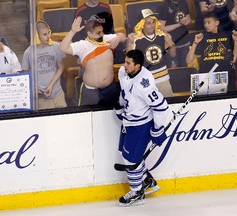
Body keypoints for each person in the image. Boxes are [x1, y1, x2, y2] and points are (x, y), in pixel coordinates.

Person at [115, 49, 169, 206]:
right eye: (125, 61)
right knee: (125, 153)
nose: (124, 65)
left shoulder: (144, 85)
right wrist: (121, 106)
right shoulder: (124, 72)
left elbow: (162, 107)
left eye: (128, 63)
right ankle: (147, 181)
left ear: (137, 66)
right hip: (129, 122)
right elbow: (124, 90)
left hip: (141, 125)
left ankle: (137, 191)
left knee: (130, 160)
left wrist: (157, 129)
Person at [60, 17, 126, 106]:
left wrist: (117, 38)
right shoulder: (83, 45)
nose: (102, 34)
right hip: (91, 92)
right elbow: (63, 48)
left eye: (102, 31)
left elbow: (123, 36)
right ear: (89, 34)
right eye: (98, 33)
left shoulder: (105, 38)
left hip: (110, 89)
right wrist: (72, 32)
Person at [126, 8, 176, 98]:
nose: (152, 25)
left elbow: (173, 54)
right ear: (142, 24)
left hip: (163, 79)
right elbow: (129, 58)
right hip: (146, 81)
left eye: (153, 22)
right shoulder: (136, 39)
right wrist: (129, 43)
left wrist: (171, 43)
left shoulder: (162, 35)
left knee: (168, 105)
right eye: (148, 23)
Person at [186, 12, 237, 92]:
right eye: (204, 23)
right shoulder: (201, 37)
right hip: (207, 76)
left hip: (225, 75)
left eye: (208, 22)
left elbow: (233, 59)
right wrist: (195, 43)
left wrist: (236, 41)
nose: (206, 25)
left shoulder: (226, 36)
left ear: (217, 23)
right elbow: (188, 60)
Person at [22, 20, 67, 110]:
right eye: (44, 34)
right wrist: (32, 88)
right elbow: (25, 74)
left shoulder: (55, 46)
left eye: (48, 33)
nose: (48, 36)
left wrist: (51, 85)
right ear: (37, 36)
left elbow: (61, 67)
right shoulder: (28, 52)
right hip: (41, 99)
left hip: (58, 94)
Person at [157, 0, 192, 68]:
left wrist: (187, 21)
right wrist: (179, 24)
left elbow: (189, 19)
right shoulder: (164, 5)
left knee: (185, 68)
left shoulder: (184, 3)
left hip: (184, 41)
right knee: (173, 69)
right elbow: (161, 28)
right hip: (171, 43)